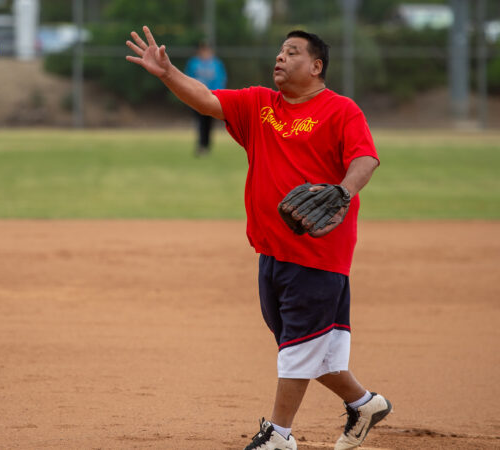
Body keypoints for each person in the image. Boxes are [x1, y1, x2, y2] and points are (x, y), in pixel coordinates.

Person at [125, 26, 390, 450]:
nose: (280, 58)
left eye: (292, 52)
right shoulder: (260, 105)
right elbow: (208, 99)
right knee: (299, 344)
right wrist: (168, 73)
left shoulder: (341, 110)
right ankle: (364, 403)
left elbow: (365, 157)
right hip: (271, 252)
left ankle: (279, 436)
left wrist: (343, 190)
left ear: (316, 66)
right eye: (280, 51)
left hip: (318, 252)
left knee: (298, 346)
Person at [184, 41, 227, 156]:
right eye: (202, 50)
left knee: (208, 123)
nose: (205, 52)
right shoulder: (194, 63)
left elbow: (221, 79)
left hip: (211, 97)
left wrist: (218, 95)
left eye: (207, 50)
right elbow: (188, 78)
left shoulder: (216, 64)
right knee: (199, 122)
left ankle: (206, 145)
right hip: (196, 96)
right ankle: (201, 145)